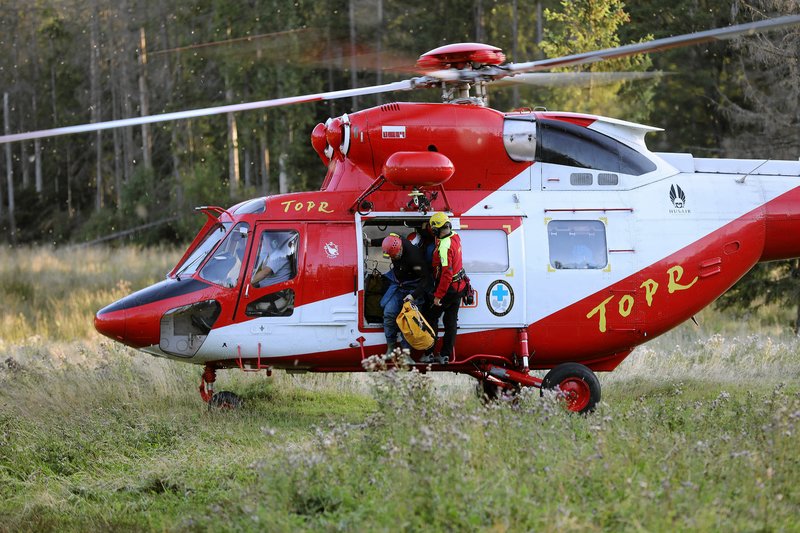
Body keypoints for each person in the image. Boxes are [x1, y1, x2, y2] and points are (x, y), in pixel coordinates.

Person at [421, 212, 467, 365]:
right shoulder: (455, 236)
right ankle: (445, 355)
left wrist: (438, 296)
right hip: (459, 287)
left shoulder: (444, 247)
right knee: (450, 322)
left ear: (436, 230)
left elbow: (447, 274)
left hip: (448, 290)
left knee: (430, 317)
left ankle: (428, 353)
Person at [376, 233, 432, 357]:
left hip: (413, 287)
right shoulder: (395, 241)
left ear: (400, 249)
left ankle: (406, 355)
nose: (393, 259)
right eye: (391, 257)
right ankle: (390, 348)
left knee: (409, 320)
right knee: (389, 313)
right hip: (398, 283)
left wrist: (413, 296)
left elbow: (426, 279)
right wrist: (370, 241)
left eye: (394, 256)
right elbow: (385, 240)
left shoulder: (415, 258)